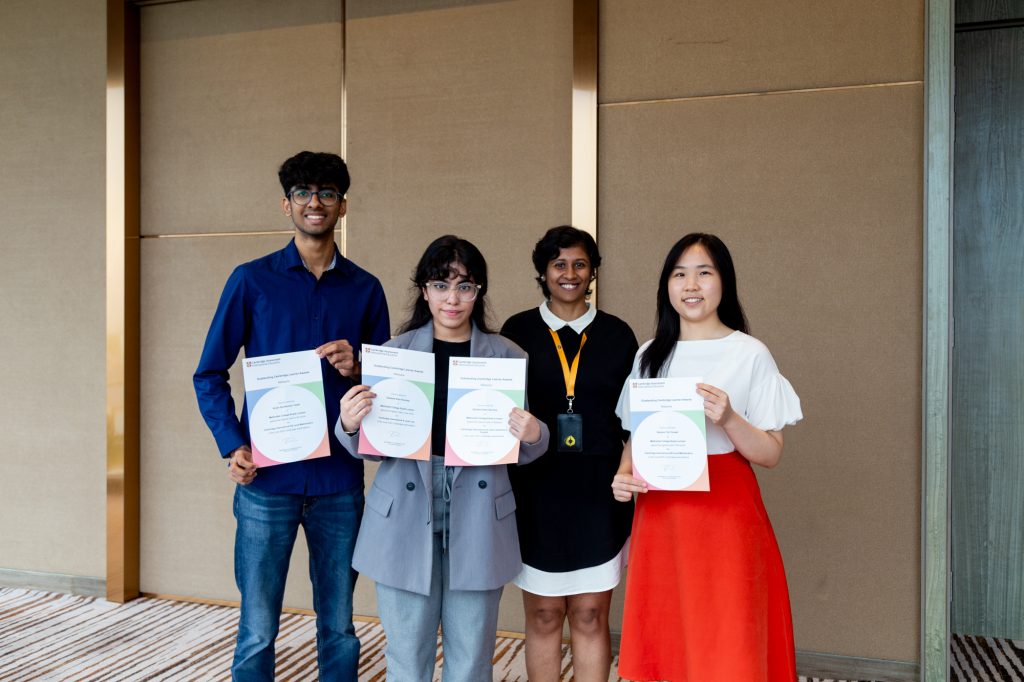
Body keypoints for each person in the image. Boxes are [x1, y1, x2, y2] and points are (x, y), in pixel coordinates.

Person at [193, 151, 390, 681]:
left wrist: (360, 366)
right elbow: (209, 373)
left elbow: (390, 390)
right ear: (286, 204)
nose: (315, 202)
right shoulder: (251, 280)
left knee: (340, 624)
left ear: (343, 205)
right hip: (266, 479)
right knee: (258, 625)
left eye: (327, 192)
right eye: (303, 193)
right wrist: (232, 444)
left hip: (339, 483)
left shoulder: (366, 288)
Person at [336, 235, 550, 681]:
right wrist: (351, 423)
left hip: (478, 508)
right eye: (441, 284)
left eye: (465, 286)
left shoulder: (507, 356)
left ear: (479, 292)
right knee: (406, 657)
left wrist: (535, 433)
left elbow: (523, 447)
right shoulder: (393, 355)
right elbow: (369, 447)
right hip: (403, 510)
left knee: (471, 657)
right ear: (424, 290)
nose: (452, 298)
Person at [611, 233, 802, 681]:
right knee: (667, 633)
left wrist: (730, 418)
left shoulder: (749, 353)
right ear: (667, 286)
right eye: (679, 274)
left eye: (704, 272)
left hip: (726, 514)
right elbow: (638, 439)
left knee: (727, 635)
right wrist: (623, 474)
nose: (690, 284)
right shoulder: (649, 354)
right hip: (662, 514)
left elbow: (771, 453)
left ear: (724, 283)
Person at [499, 226, 637, 681]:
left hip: (599, 496)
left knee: (591, 616)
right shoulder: (516, 332)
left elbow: (634, 422)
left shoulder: (619, 335)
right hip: (535, 494)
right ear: (543, 271)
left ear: (592, 270)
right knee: (541, 618)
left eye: (580, 264)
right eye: (559, 264)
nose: (570, 273)